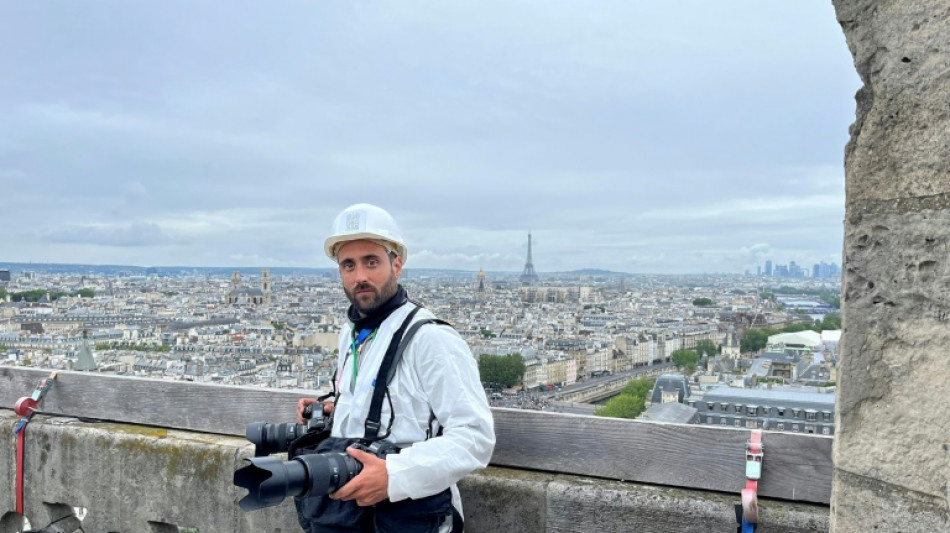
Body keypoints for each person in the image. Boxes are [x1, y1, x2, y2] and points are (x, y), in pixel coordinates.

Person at [294, 203, 495, 533]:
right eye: (349, 265)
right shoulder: (352, 334)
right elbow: (388, 405)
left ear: (397, 264)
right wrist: (337, 409)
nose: (360, 276)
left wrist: (394, 476)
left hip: (409, 519)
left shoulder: (431, 339)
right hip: (348, 516)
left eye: (371, 262)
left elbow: (475, 437)